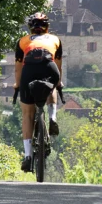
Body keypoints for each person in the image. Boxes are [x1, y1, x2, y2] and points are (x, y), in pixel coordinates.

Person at [14, 12, 63, 173]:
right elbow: (58, 64)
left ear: (30, 28)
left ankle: (28, 156)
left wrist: (17, 85)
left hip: (29, 70)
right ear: (47, 27)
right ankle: (52, 116)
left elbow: (18, 67)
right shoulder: (55, 40)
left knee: (28, 114)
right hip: (49, 66)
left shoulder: (22, 41)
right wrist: (59, 82)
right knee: (52, 86)